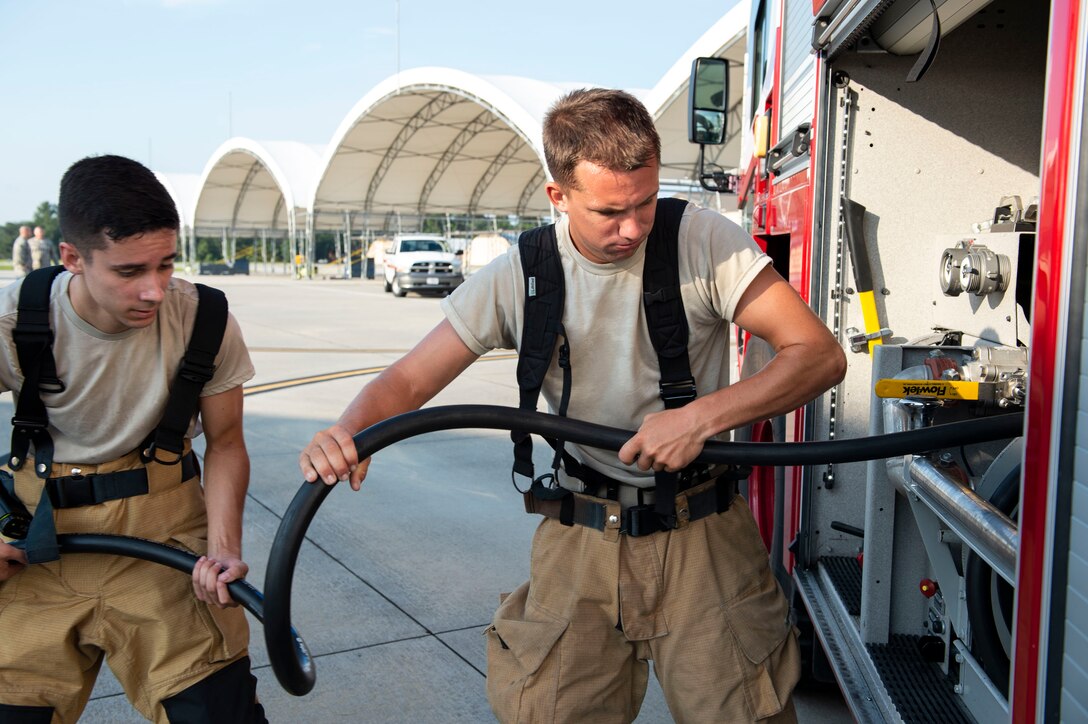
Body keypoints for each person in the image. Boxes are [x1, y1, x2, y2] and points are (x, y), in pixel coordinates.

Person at [300, 89, 846, 722]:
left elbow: (817, 355)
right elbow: (407, 382)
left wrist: (701, 418)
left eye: (645, 201)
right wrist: (349, 431)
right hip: (582, 536)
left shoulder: (701, 239)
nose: (635, 227)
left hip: (705, 537)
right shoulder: (523, 273)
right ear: (558, 196)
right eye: (610, 211)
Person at [0, 155, 266, 723]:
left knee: (219, 713)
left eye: (166, 264)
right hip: (35, 541)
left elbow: (225, 443)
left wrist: (222, 550)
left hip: (163, 540)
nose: (153, 289)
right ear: (72, 259)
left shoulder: (205, 320)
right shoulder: (14, 319)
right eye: (128, 271)